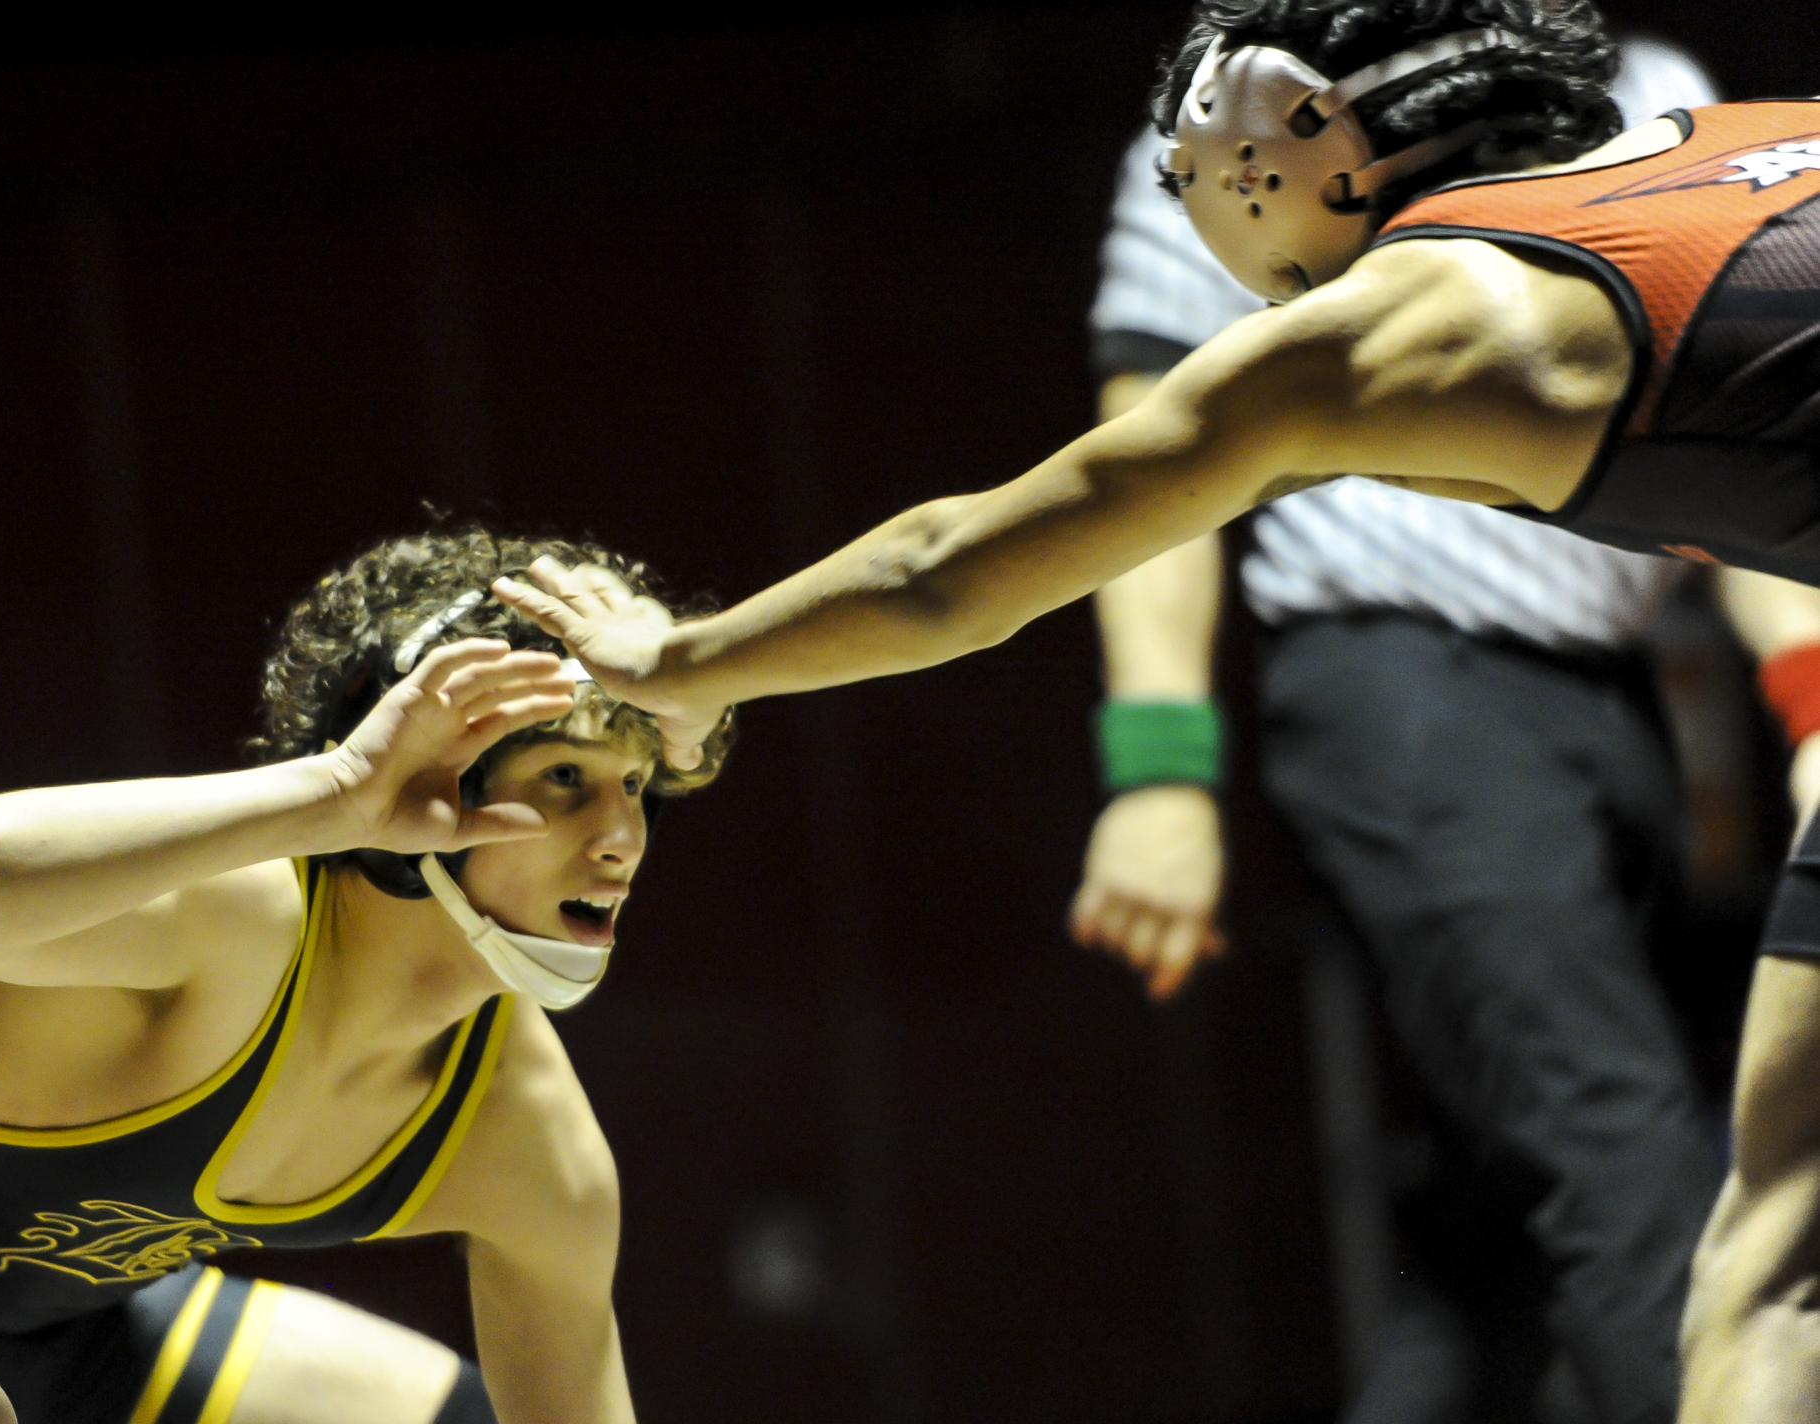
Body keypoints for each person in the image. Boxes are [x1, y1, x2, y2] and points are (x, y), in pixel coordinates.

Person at [488, 4, 1820, 1417]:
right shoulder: (1730, 128)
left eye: (1197, 174)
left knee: (1745, 1242)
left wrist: (682, 664)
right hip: (1446, 691)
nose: (1194, 219)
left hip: (1511, 688)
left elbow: (950, 570)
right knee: (1754, 1226)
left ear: (1276, 142)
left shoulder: (1380, 336)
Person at [1074, 36, 1775, 1424]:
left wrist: (1808, 703)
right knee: (1617, 1158)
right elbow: (1143, 455)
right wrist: (1158, 771)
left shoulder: (1643, 87)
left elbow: (1749, 424)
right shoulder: (1235, 115)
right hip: (1402, 679)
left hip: (1610, 683)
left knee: (1499, 1241)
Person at [0, 526, 732, 1424]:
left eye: (635, 784)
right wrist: (337, 790)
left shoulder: (525, 1132)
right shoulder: (244, 917)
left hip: (79, 1338)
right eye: (566, 776)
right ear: (428, 774)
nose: (622, 838)